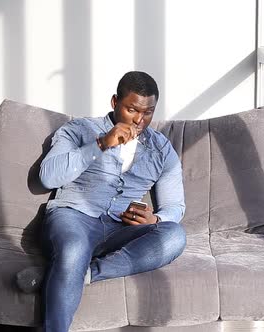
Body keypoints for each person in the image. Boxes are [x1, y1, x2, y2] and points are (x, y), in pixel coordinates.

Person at [15, 71, 186, 332]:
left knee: (175, 236)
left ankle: (84, 273)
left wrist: (157, 220)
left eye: (148, 112)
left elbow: (176, 205)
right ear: (115, 102)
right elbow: (48, 177)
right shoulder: (79, 129)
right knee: (73, 248)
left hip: (120, 229)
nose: (140, 120)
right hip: (73, 217)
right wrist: (101, 144)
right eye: (132, 110)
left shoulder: (161, 149)